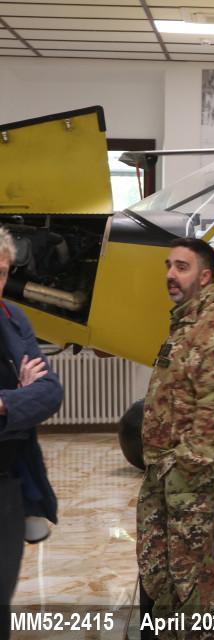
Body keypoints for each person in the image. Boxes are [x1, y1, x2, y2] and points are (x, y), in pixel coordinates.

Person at [137, 238, 214, 638]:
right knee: (160, 567)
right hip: (164, 470)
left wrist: (185, 468)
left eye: (182, 267)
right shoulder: (188, 324)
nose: (171, 274)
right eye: (169, 265)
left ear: (205, 276)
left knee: (192, 574)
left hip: (188, 476)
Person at [0, 227, 62, 640]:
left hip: (8, 483)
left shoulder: (13, 318)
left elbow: (50, 391)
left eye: (2, 272)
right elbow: (32, 398)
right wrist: (20, 397)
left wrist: (6, 404)